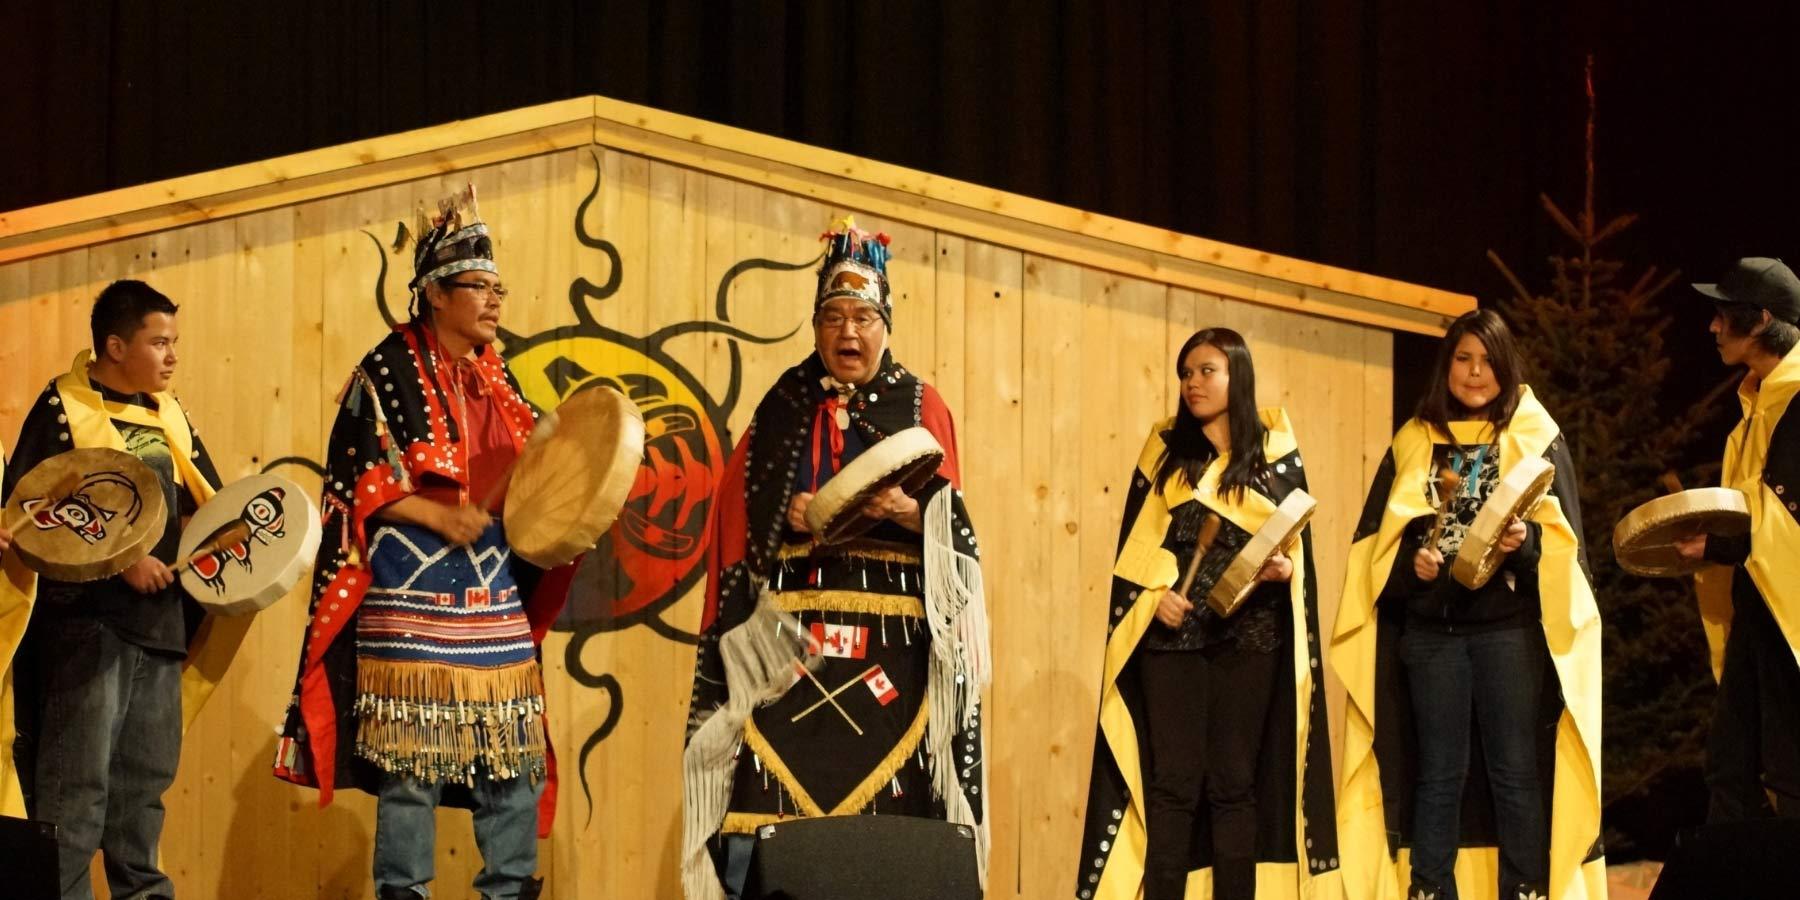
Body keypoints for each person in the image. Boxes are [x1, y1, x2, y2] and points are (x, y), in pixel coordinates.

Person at [680, 220, 991, 900]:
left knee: (894, 822)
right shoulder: (785, 403)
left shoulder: (920, 404)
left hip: (896, 650)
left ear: (886, 324)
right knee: (763, 804)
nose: (848, 333)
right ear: (816, 326)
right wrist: (785, 511)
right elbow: (736, 512)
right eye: (833, 317)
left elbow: (952, 521)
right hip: (792, 646)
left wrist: (909, 513)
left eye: (863, 317)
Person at [273, 186, 555, 900]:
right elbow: (353, 483)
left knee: (510, 757)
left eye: (499, 288)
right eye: (478, 288)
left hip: (491, 599)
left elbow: (539, 466)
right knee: (413, 766)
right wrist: (434, 515)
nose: (494, 302)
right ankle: (404, 892)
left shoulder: (498, 376)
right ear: (433, 293)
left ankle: (510, 888)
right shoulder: (385, 372)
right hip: (410, 600)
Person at [1333, 309, 1603, 900]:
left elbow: (1564, 548)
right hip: (1432, 638)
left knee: (1514, 774)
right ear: (1447, 366)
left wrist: (1524, 544)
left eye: (1487, 360)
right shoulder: (1415, 439)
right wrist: (1412, 568)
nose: (1475, 372)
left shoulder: (1532, 434)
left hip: (1507, 634)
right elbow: (1377, 547)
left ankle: (1525, 892)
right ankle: (1430, 891)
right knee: (1437, 776)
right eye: (1463, 358)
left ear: (1505, 368)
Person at [1074, 328, 1338, 900]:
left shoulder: (1274, 455)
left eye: (1206, 371)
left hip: (1251, 640)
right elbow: (1137, 551)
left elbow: (1293, 555)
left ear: (1236, 376)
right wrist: (1156, 593)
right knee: (1173, 787)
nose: (1193, 383)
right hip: (1172, 641)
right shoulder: (1166, 455)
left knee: (1234, 787)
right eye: (1186, 373)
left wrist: (1285, 574)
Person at [0, 279, 241, 899]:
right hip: (86, 628)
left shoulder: (170, 415)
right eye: (158, 342)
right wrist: (121, 557)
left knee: (143, 794)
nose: (171, 355)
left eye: (174, 342)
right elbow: (27, 516)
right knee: (77, 795)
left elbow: (201, 509)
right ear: (114, 346)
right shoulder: (62, 408)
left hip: (160, 626)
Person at [1673, 257, 1800, 821]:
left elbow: (1788, 515)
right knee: (1731, 766)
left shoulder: (1796, 401)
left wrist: (1717, 546)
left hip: (1789, 617)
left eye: (1724, 315)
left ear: (1762, 320)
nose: (1713, 327)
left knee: (1787, 770)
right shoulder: (1758, 403)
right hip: (1761, 605)